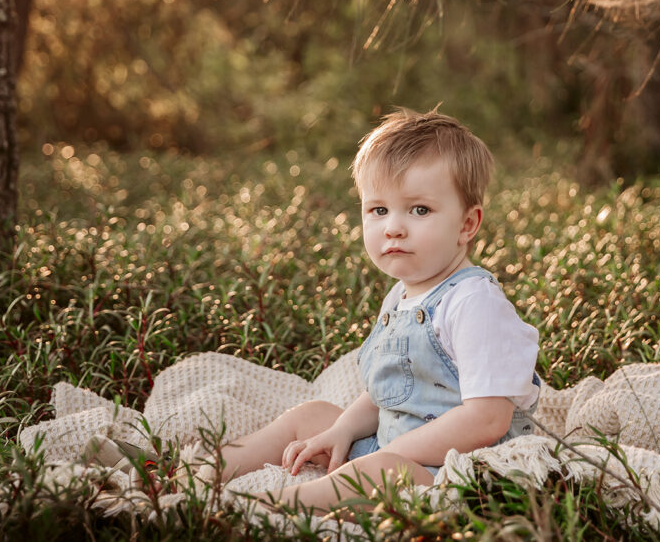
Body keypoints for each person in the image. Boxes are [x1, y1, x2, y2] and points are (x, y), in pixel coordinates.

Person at [209, 107, 540, 512]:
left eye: (419, 210)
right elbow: (389, 389)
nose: (393, 227)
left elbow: (488, 420)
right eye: (379, 210)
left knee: (379, 470)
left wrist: (393, 452)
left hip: (460, 470)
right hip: (395, 445)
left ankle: (265, 506)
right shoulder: (401, 296)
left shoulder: (474, 303)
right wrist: (343, 431)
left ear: (467, 225)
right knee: (312, 416)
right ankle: (202, 471)